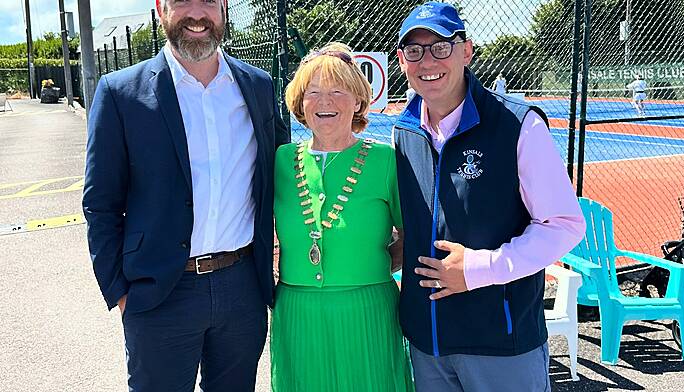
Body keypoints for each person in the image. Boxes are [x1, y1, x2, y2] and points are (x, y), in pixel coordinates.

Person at [82, 0, 289, 390]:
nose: (198, 13)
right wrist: (120, 292)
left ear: (224, 8)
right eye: (182, 1)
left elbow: (280, 174)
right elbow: (100, 203)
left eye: (209, 1)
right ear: (161, 8)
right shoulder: (120, 93)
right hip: (161, 292)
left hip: (242, 288)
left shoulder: (258, 86)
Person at [393, 3, 586, 391]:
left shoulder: (519, 125)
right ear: (402, 60)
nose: (427, 60)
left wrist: (479, 269)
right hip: (426, 344)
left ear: (466, 51)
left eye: (441, 46)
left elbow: (565, 226)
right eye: (414, 50)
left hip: (501, 343)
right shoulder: (403, 132)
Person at [270, 42, 414, 392]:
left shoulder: (386, 160)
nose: (325, 102)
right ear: (300, 103)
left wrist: (371, 265)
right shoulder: (281, 160)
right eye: (313, 93)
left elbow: (411, 235)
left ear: (358, 100)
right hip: (297, 313)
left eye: (338, 91)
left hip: (367, 312)